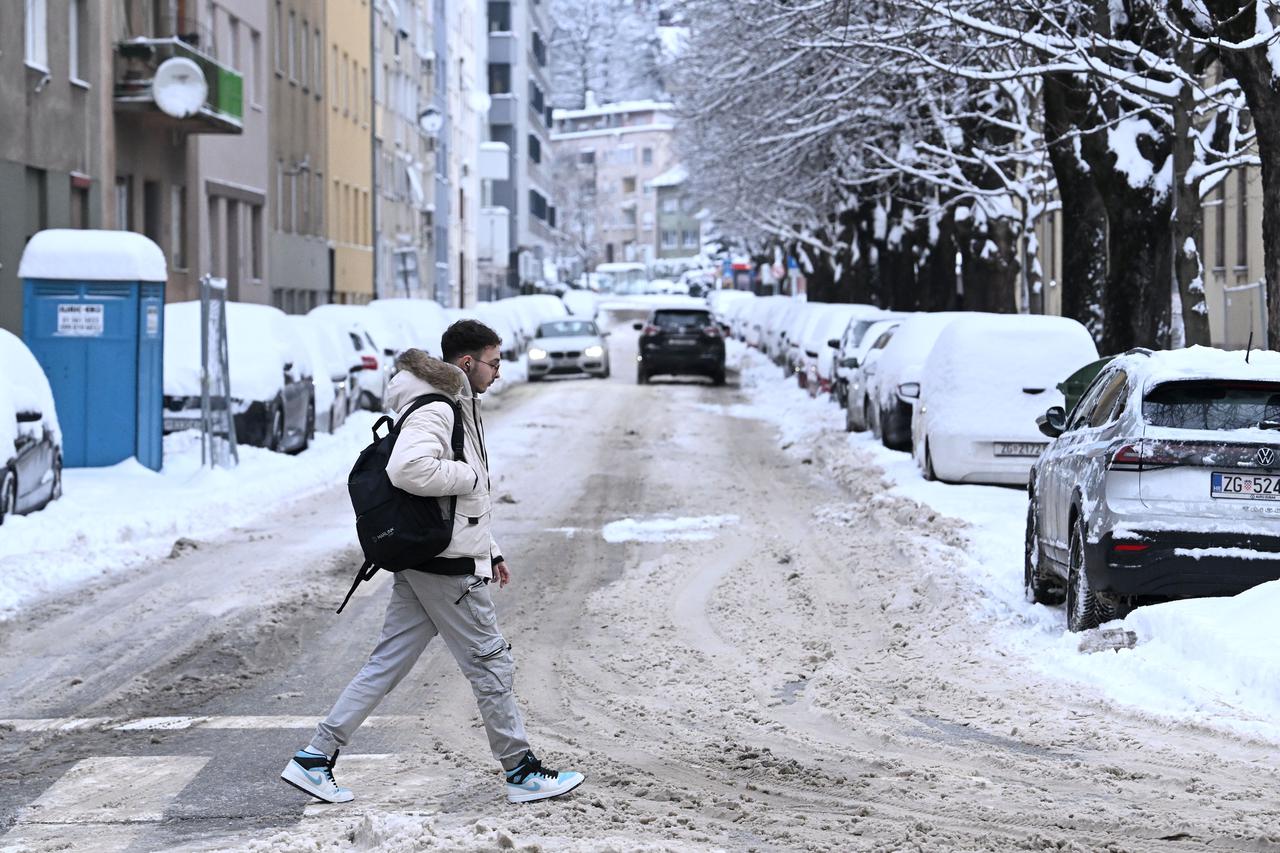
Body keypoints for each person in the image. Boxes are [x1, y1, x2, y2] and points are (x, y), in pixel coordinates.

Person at [280, 320, 584, 805]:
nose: (499, 372)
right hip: (446, 567)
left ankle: (316, 757)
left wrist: (491, 548)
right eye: (494, 362)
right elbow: (409, 469)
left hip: (430, 558)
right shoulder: (439, 408)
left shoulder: (452, 404)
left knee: (386, 663)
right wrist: (467, 476)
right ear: (467, 363)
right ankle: (521, 771)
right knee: (491, 666)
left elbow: (456, 504)